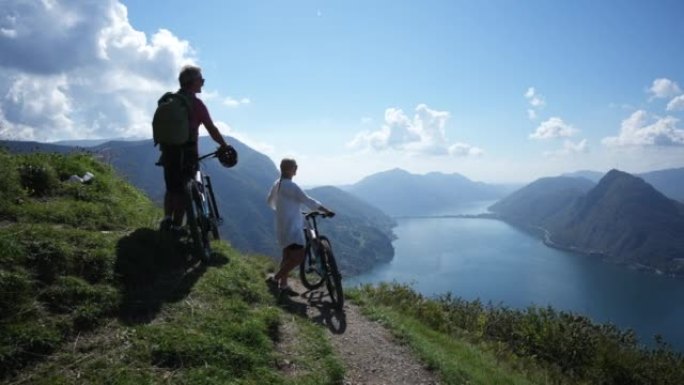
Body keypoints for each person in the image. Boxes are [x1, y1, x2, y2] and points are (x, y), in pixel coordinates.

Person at [160, 65, 233, 231]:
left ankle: (166, 219)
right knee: (185, 189)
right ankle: (177, 227)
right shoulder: (196, 104)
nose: (203, 83)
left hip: (168, 150)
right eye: (201, 79)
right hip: (188, 153)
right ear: (192, 82)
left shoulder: (169, 100)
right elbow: (211, 129)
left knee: (172, 186)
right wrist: (224, 145)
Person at [266, 158, 334, 295]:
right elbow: (309, 201)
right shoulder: (291, 186)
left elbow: (270, 202)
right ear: (290, 169)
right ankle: (275, 279)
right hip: (292, 227)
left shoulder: (277, 184)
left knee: (287, 256)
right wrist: (326, 210)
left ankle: (283, 285)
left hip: (282, 225)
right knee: (298, 257)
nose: (297, 169)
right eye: (295, 167)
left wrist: (283, 209)